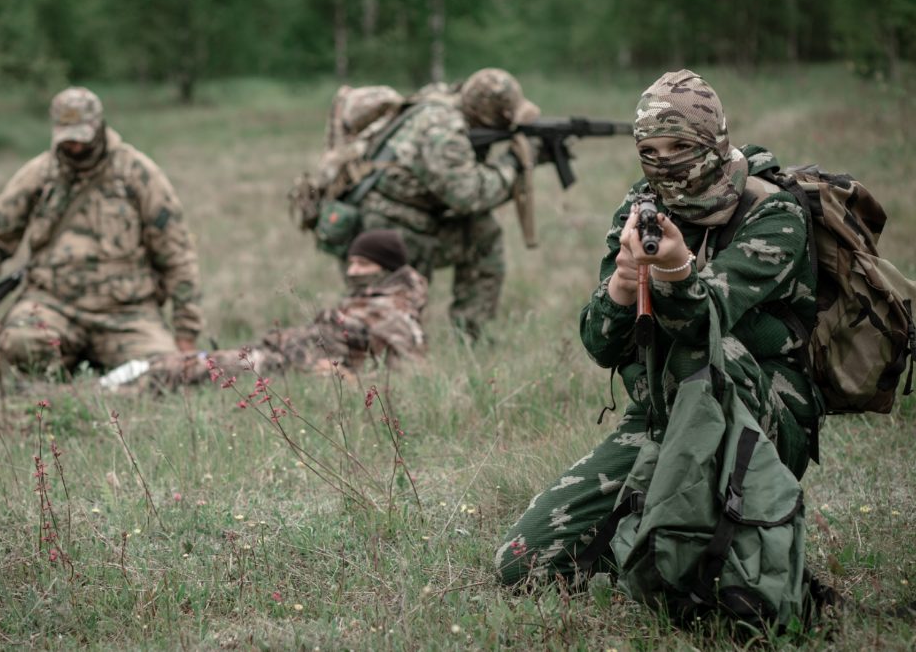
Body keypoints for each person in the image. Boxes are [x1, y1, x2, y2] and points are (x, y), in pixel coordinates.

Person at [494, 69, 819, 585]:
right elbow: (601, 344)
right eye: (650, 149)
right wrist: (624, 282)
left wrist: (672, 271)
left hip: (760, 414)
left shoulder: (773, 212)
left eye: (680, 145)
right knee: (522, 565)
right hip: (660, 416)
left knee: (704, 354)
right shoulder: (642, 205)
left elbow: (703, 324)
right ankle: (647, 534)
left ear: (714, 141)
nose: (665, 162)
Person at [0, 87, 202, 375]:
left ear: (99, 126)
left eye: (82, 138)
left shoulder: (137, 174)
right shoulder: (39, 175)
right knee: (19, 343)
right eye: (68, 139)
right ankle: (71, 371)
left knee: (163, 369)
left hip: (127, 312)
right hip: (52, 305)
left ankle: (99, 368)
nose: (75, 148)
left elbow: (177, 254)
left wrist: (186, 334)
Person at [355, 68, 540, 341]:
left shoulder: (446, 102)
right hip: (394, 227)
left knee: (483, 234)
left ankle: (470, 338)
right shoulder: (443, 132)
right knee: (386, 326)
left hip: (411, 218)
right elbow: (469, 196)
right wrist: (512, 164)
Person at [143, 229, 427, 387]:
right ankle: (123, 378)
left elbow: (407, 372)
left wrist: (346, 378)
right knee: (184, 363)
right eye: (351, 263)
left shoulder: (395, 312)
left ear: (386, 268)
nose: (353, 272)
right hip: (283, 357)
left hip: (288, 368)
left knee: (187, 369)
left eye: (363, 264)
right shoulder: (371, 298)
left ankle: (114, 388)